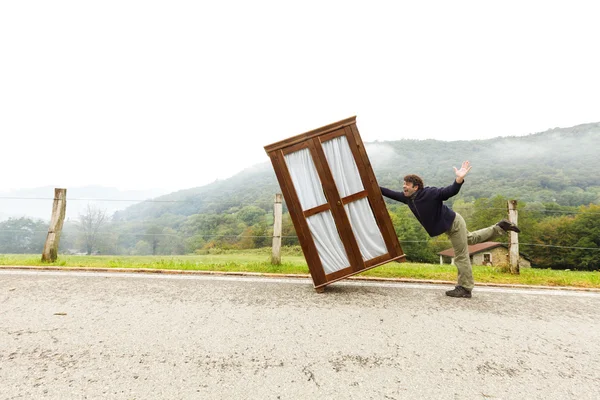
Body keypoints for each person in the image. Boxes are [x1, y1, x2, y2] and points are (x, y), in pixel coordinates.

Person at [380, 161, 520, 298]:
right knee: (471, 239)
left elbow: (449, 191)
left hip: (454, 224)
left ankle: (465, 288)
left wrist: (459, 179)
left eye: (407, 184)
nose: (404, 187)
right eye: (403, 184)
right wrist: (369, 185)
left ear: (415, 187)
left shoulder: (430, 193)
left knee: (460, 255)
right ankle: (500, 227)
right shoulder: (408, 198)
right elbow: (388, 192)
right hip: (450, 225)